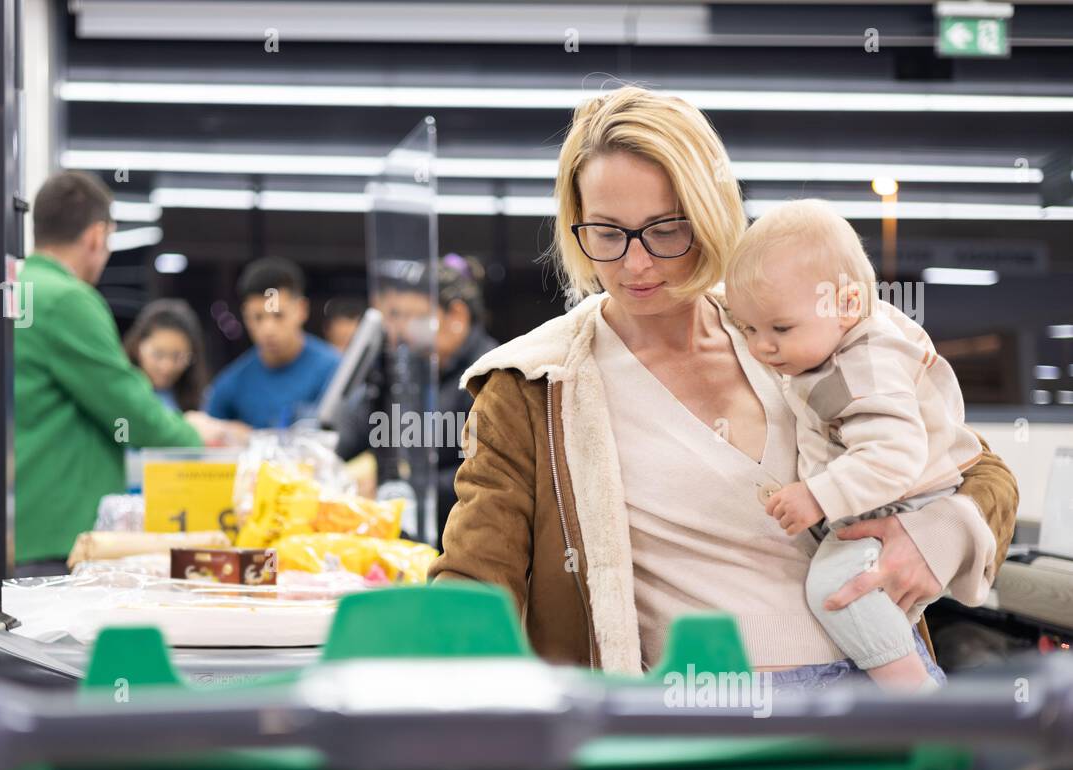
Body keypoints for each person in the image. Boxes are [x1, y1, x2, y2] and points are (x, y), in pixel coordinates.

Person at [429, 87, 1018, 688]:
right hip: (701, 727)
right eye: (607, 233)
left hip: (878, 692)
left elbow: (977, 470)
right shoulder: (532, 385)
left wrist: (936, 537)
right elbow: (477, 575)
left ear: (709, 215)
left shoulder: (793, 325)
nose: (636, 265)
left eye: (666, 229)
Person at [727, 199, 986, 693]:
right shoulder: (832, 342)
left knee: (835, 588)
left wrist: (818, 495)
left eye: (780, 328)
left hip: (904, 499)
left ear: (846, 305)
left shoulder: (864, 364)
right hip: (887, 499)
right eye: (749, 329)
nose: (762, 347)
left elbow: (893, 455)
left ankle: (914, 696)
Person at [14, 171, 235, 575]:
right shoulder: (67, 300)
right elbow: (127, 408)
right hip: (67, 534)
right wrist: (193, 434)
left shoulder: (20, 289)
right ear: (97, 235)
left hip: (35, 524)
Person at [335, 254, 499, 529]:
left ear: (456, 316)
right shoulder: (409, 367)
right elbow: (354, 431)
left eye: (415, 317)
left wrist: (399, 490)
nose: (401, 329)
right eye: (397, 317)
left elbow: (484, 474)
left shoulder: (491, 377)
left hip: (466, 537)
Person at [204, 257, 341, 428]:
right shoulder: (231, 384)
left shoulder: (336, 371)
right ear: (245, 315)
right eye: (258, 317)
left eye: (278, 315)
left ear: (301, 309)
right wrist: (228, 432)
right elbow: (205, 436)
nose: (268, 329)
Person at [124, 298, 211, 412]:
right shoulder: (121, 391)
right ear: (137, 346)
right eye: (158, 354)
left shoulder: (200, 398)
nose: (167, 366)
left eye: (178, 357)